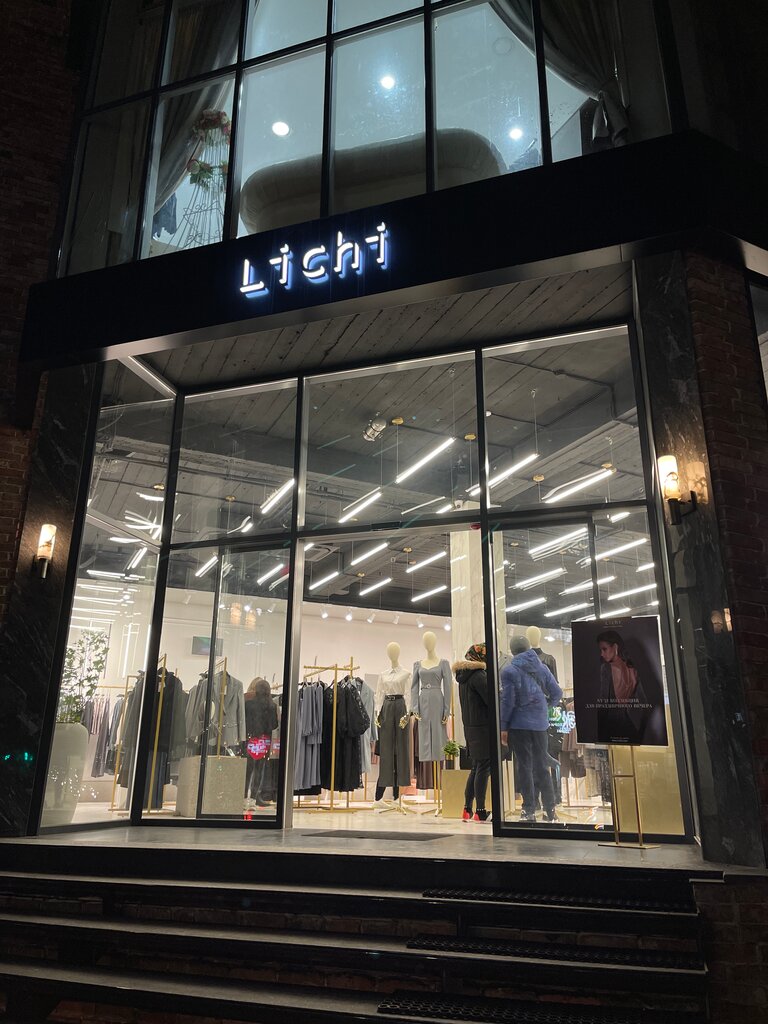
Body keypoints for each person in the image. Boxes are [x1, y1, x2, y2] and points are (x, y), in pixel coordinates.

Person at [500, 636, 562, 823]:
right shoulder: (542, 668)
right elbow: (557, 693)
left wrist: (503, 726)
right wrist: (546, 707)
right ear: (528, 648)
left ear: (512, 651)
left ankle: (528, 810)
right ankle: (550, 810)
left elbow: (508, 701)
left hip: (519, 725)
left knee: (525, 767)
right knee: (542, 766)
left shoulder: (509, 671)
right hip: (540, 725)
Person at [453, 643, 490, 822]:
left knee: (476, 767)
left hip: (470, 727)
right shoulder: (479, 676)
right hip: (483, 727)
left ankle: (467, 809)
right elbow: (490, 700)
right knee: (483, 767)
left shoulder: (463, 677)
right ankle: (480, 811)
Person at [596, 630, 648, 744]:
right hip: (630, 727)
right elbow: (645, 704)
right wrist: (641, 732)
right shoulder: (633, 669)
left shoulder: (606, 668)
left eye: (604, 649)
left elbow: (603, 702)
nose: (601, 654)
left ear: (615, 647)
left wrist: (597, 735)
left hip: (611, 726)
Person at [243, 677, 279, 808]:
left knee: (248, 770)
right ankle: (253, 799)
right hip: (264, 741)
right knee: (259, 770)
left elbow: (245, 722)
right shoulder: (272, 706)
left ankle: (243, 797)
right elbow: (274, 725)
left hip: (251, 739)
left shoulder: (248, 704)